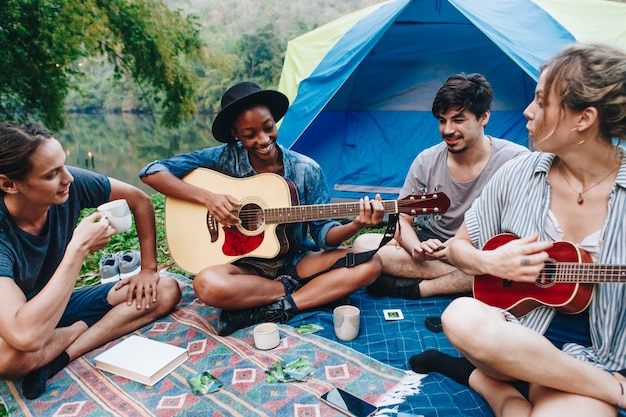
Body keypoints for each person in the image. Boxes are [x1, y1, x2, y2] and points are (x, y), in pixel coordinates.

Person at [409, 42, 626, 416]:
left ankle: (496, 388)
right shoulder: (519, 173)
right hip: (516, 337)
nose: (527, 111)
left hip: (601, 352)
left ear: (583, 118)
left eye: (541, 101)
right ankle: (612, 390)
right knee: (459, 315)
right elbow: (459, 249)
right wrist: (490, 263)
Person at [140, 81, 384, 336]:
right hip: (244, 266)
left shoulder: (306, 170)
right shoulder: (223, 157)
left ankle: (278, 308)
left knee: (371, 265)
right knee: (206, 285)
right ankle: (305, 293)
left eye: (269, 128)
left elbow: (324, 235)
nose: (263, 139)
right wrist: (208, 198)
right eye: (250, 134)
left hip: (296, 261)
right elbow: (151, 172)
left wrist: (356, 225)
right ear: (235, 134)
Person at [0, 123, 182, 399]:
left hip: (57, 305)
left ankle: (59, 358)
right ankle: (79, 329)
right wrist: (78, 249)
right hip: (18, 321)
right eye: (52, 174)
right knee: (9, 359)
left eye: (64, 166)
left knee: (165, 290)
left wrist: (147, 270)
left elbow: (141, 201)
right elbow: (25, 336)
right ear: (9, 184)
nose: (68, 179)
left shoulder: (70, 184)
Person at [352, 73, 528, 299]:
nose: (447, 130)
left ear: (484, 117)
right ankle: (469, 282)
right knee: (362, 244)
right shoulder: (427, 160)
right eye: (442, 120)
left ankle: (420, 288)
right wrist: (416, 248)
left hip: (481, 251)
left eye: (458, 120)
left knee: (499, 265)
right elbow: (402, 219)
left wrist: (463, 253)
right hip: (432, 247)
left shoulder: (516, 160)